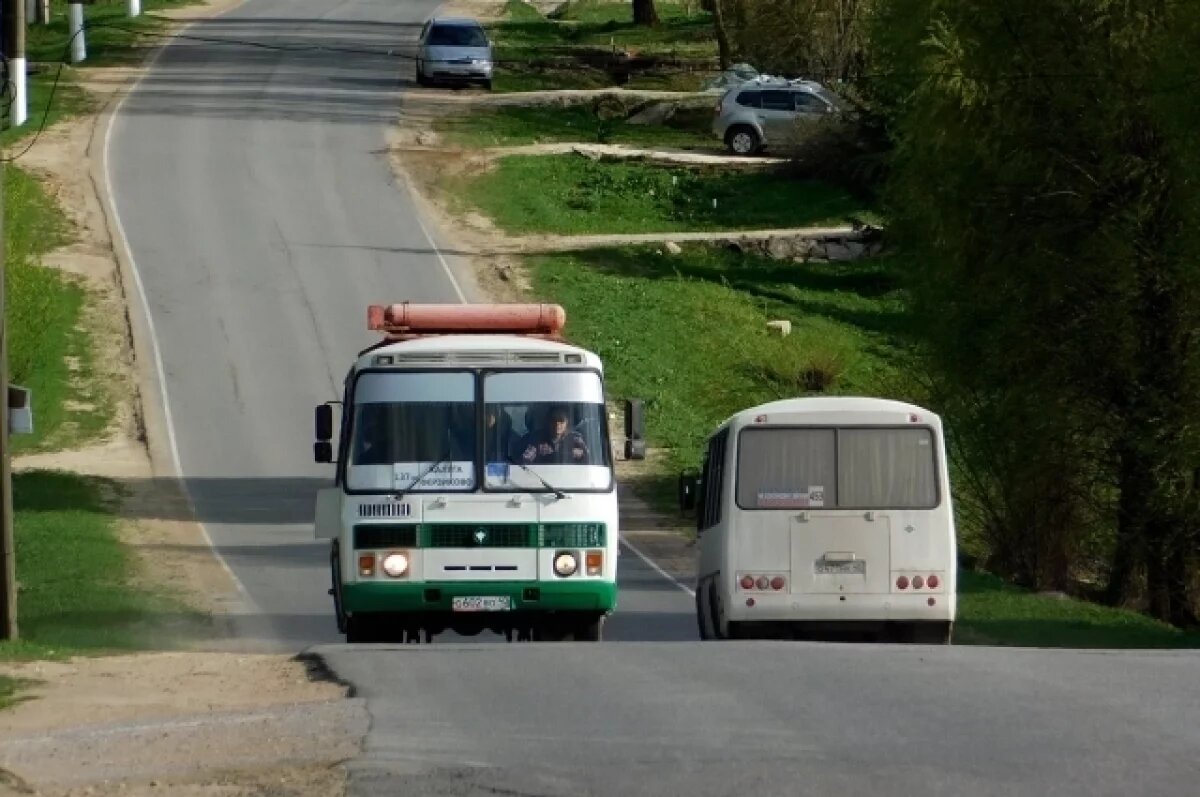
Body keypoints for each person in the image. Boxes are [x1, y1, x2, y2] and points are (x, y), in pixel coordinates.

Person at [520, 405, 588, 465]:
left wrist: (580, 454)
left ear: (567, 423)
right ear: (548, 422)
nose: (557, 425)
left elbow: (589, 460)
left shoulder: (575, 439)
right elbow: (525, 460)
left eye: (561, 421)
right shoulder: (538, 438)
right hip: (543, 477)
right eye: (554, 421)